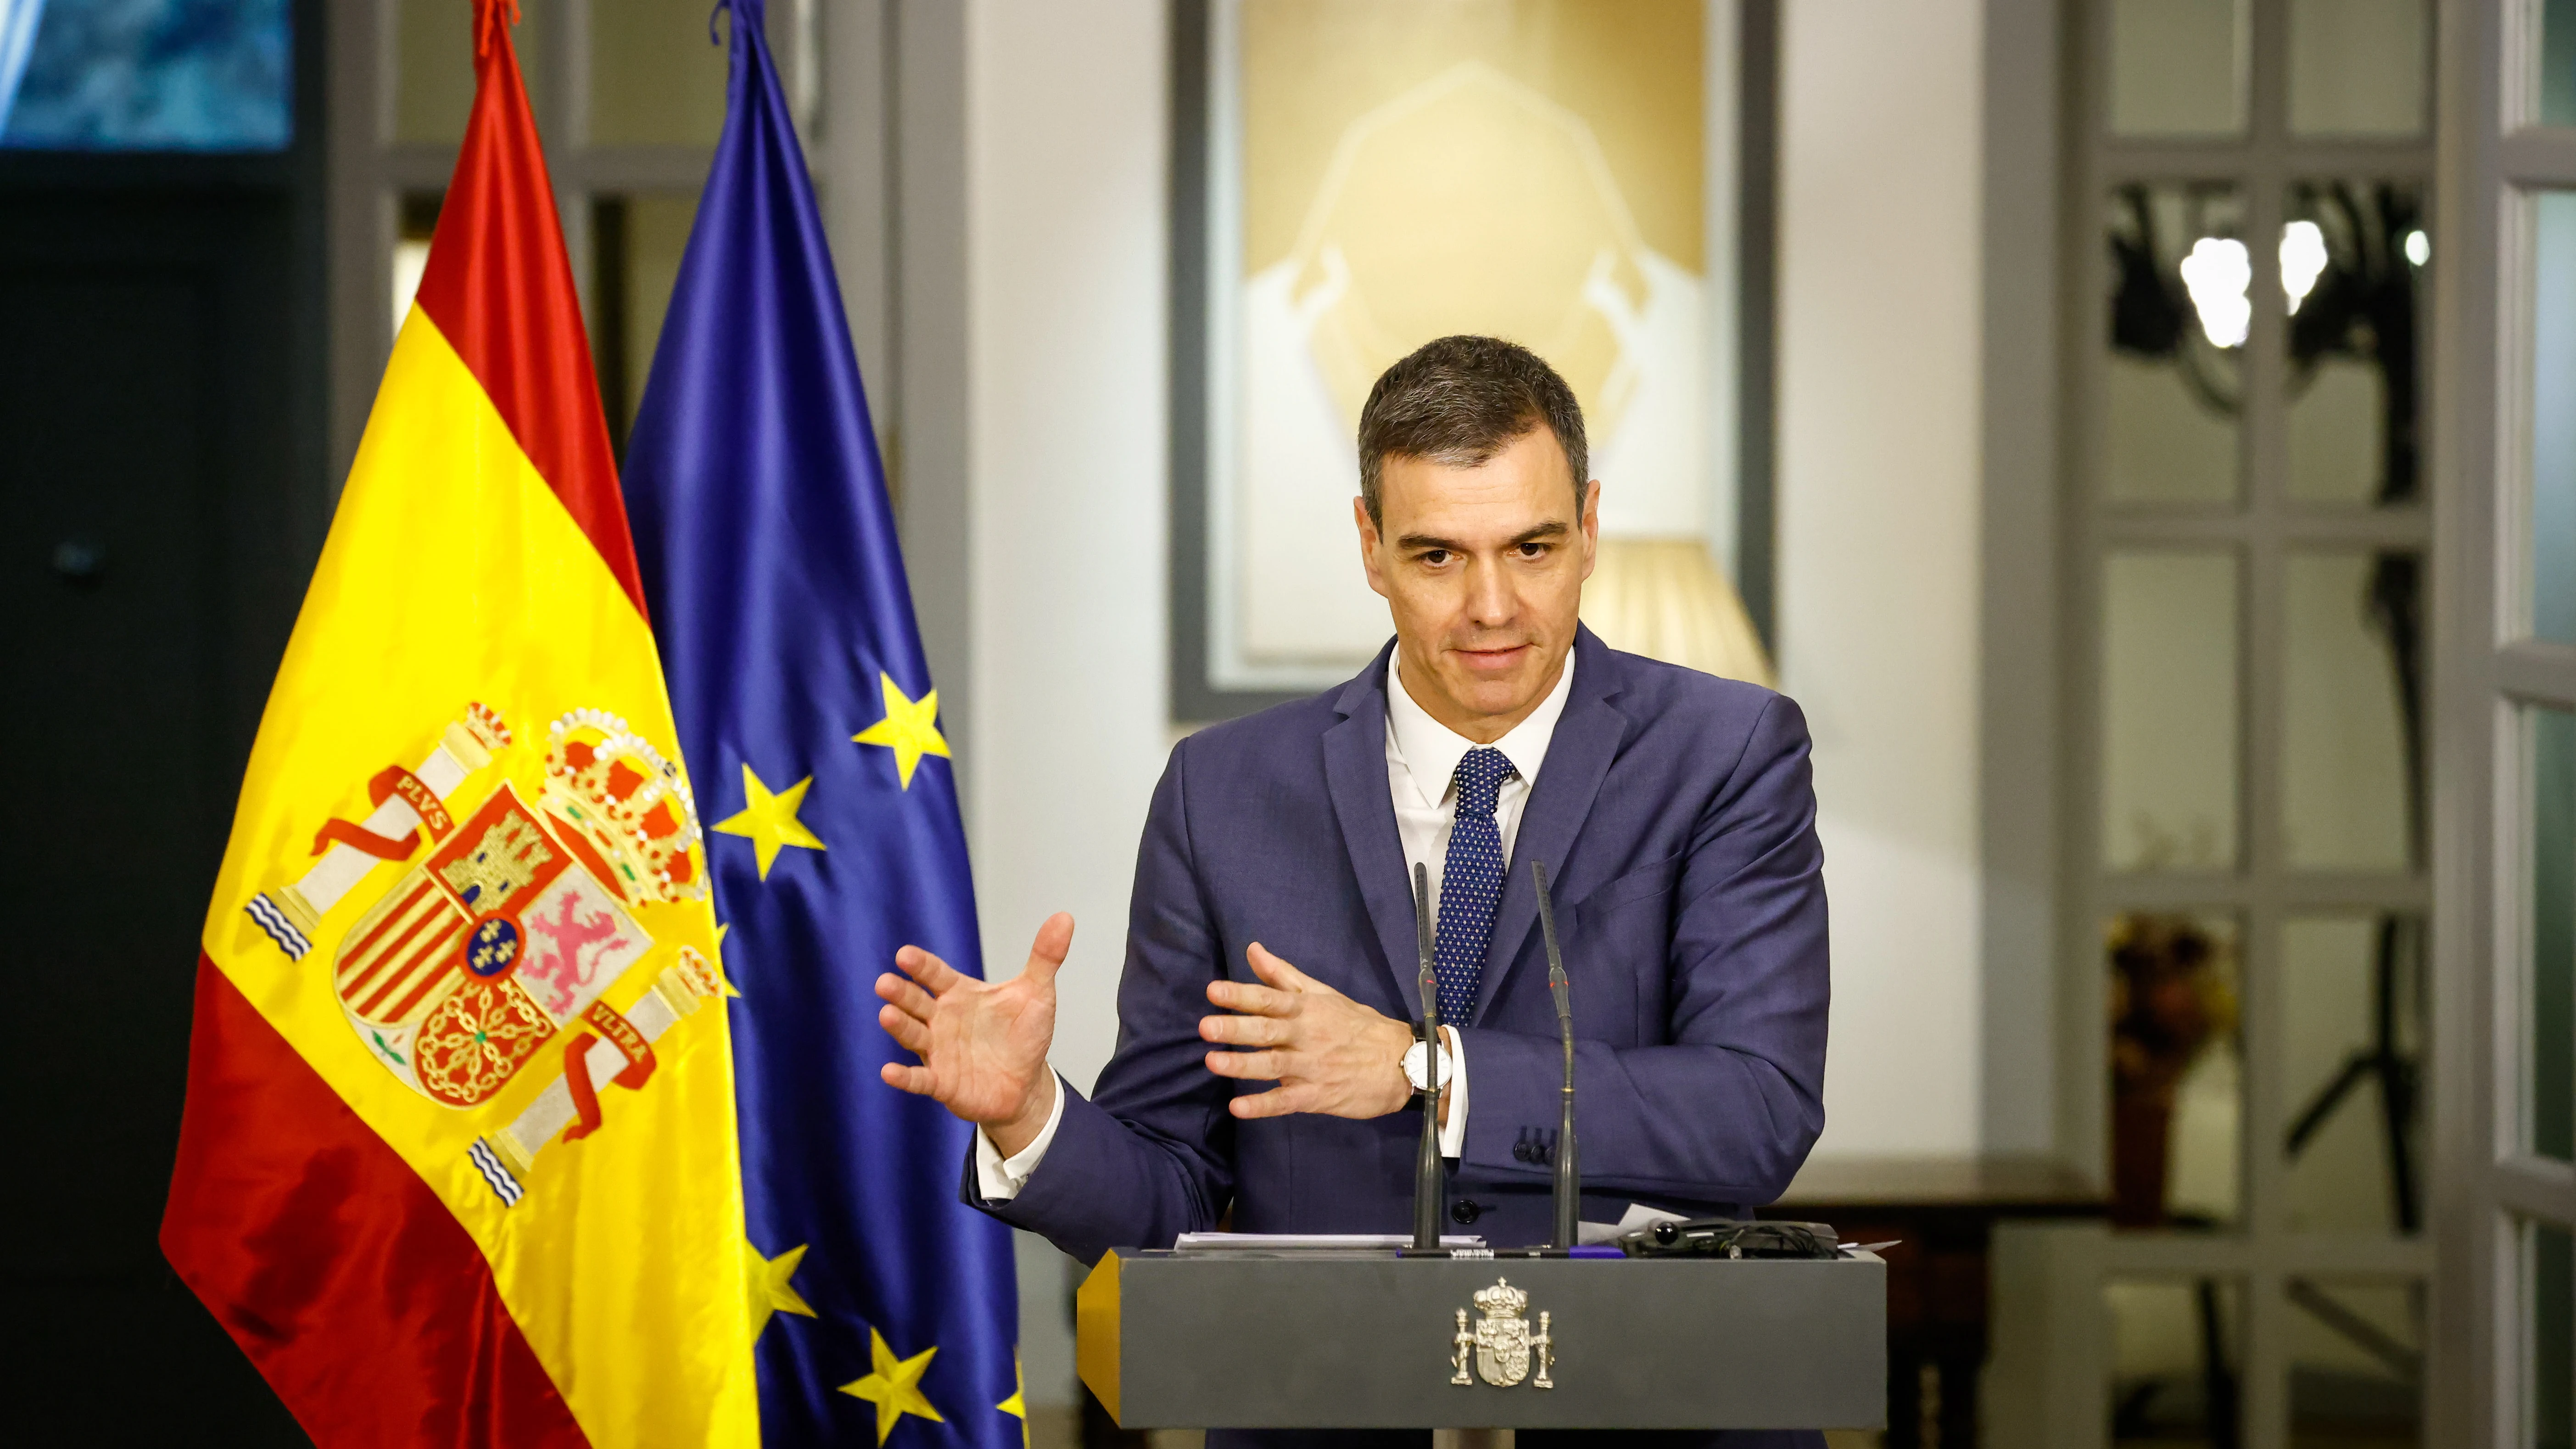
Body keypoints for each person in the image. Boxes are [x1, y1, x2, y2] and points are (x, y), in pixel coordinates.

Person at [875, 336, 1831, 1449]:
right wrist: (1034, 1117)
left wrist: (1420, 1068)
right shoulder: (1220, 791)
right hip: (1319, 1414)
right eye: (1437, 557)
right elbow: (1172, 1193)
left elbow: (1755, 1114)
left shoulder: (1726, 752)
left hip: (1660, 1417)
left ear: (1590, 526)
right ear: (1369, 546)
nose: (1491, 606)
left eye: (1531, 547)